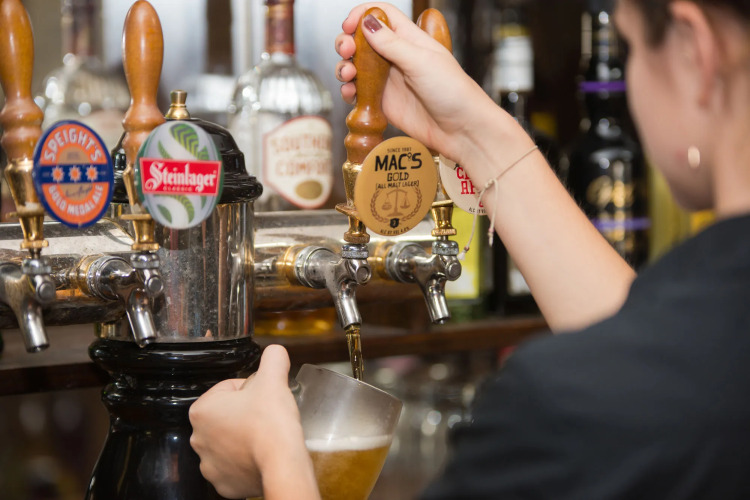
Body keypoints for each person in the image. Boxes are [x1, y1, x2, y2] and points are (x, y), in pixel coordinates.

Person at [189, 0, 750, 497]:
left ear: (692, 51)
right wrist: (469, 135)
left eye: (630, 48)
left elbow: (641, 373)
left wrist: (275, 457)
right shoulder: (709, 342)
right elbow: (652, 363)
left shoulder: (553, 401)